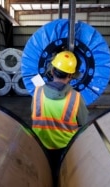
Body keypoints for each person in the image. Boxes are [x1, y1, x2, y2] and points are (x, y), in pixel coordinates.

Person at [31, 50, 89, 186]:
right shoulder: (76, 97)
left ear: (52, 71)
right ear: (70, 75)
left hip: (40, 147)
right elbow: (83, 123)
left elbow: (33, 114)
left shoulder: (38, 92)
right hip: (66, 150)